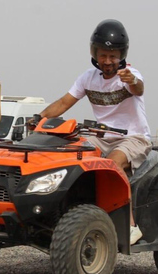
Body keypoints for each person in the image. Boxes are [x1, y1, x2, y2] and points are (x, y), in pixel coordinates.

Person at [37, 19, 151, 245]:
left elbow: (139, 87)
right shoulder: (88, 78)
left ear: (122, 55)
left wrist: (133, 80)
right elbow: (63, 103)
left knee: (111, 164)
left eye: (113, 56)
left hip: (133, 138)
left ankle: (130, 226)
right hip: (101, 137)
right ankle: (60, 214)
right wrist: (38, 120)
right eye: (103, 55)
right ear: (94, 53)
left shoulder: (129, 75)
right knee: (67, 156)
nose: (107, 61)